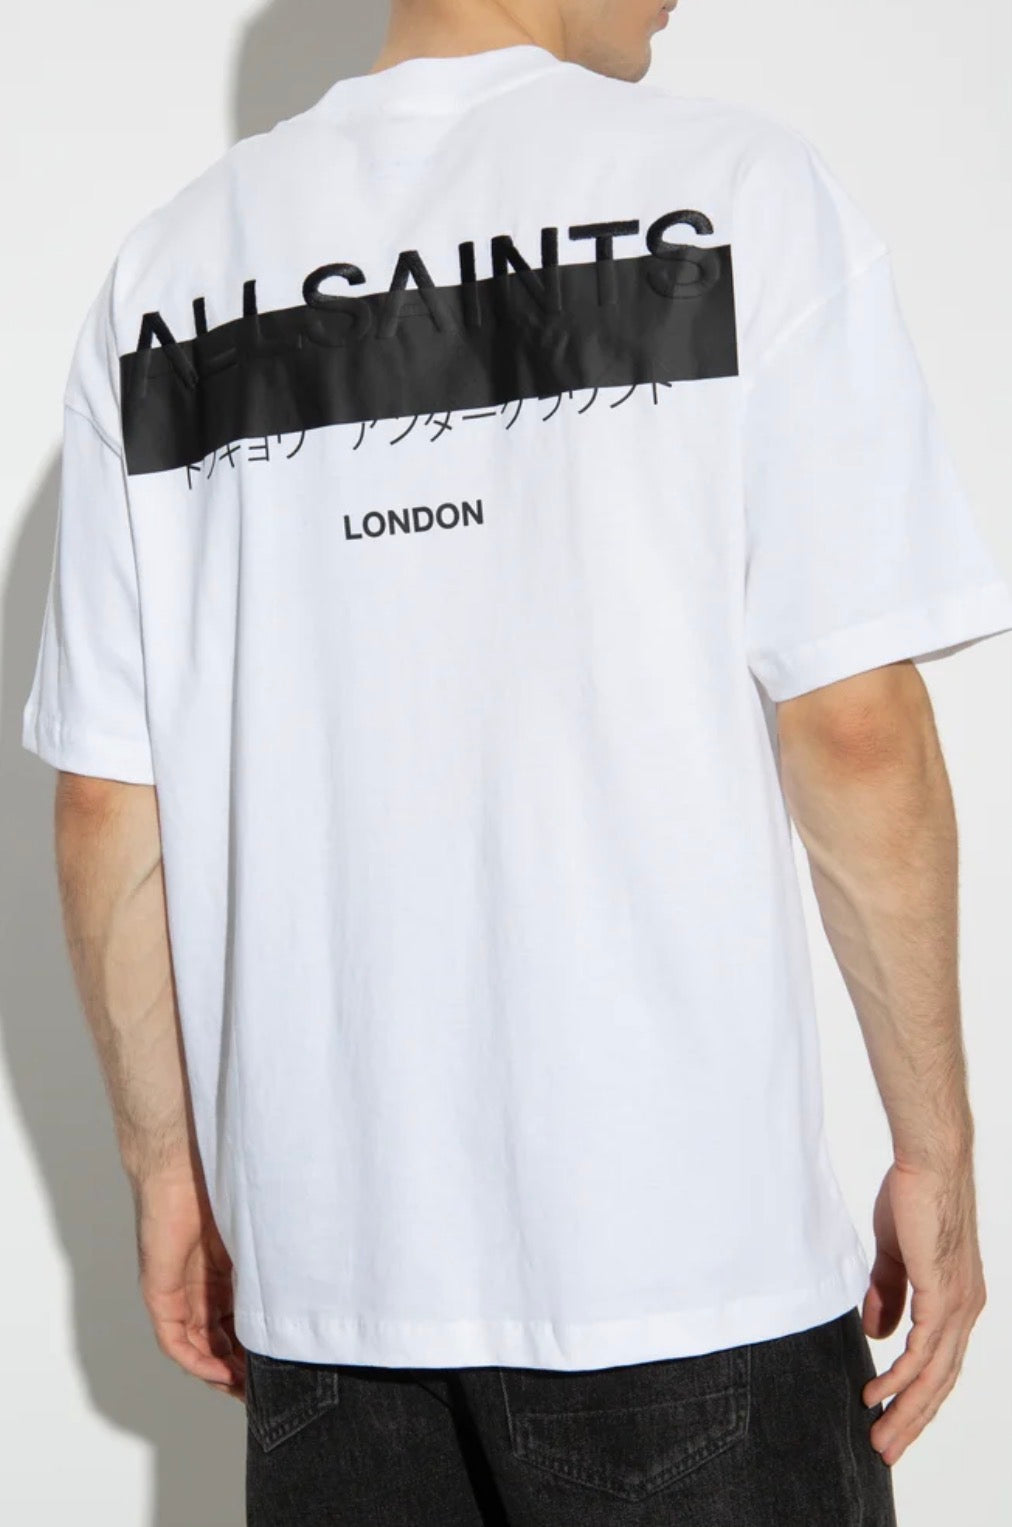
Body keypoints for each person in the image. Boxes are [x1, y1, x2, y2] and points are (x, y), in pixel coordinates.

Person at [21, 0, 1011, 1521]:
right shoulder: (737, 194)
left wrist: (167, 1171)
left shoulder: (171, 273)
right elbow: (855, 726)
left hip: (329, 1298)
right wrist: (935, 1146)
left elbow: (107, 803)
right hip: (684, 1280)